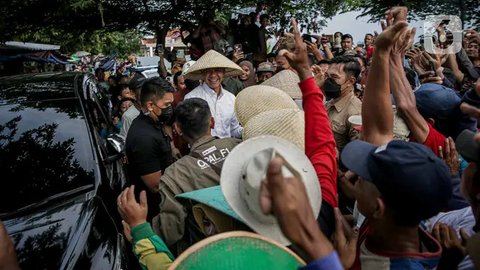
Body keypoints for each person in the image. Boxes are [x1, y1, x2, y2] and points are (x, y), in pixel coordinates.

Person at [343, 7, 451, 269]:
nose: (356, 175)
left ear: (379, 208)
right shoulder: (393, 222)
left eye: (365, 174)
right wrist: (382, 52)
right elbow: (377, 130)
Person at [154, 98, 241, 250]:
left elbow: (170, 232)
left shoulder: (174, 175)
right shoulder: (238, 146)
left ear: (178, 129)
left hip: (212, 254)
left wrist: (140, 228)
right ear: (212, 122)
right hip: (256, 238)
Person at [125, 77, 175, 222]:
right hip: (155, 210)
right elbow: (155, 185)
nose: (170, 108)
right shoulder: (143, 138)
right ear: (150, 105)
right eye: (166, 104)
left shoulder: (154, 122)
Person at [183, 50, 243, 139]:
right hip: (202, 150)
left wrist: (249, 130)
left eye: (218, 70)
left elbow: (234, 130)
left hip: (226, 149)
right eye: (208, 71)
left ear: (223, 73)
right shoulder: (191, 98)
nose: (213, 75)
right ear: (202, 73)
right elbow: (188, 132)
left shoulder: (231, 98)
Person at [322, 55, 362, 153]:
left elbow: (356, 153)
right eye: (327, 76)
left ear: (350, 81)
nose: (328, 81)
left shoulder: (355, 112)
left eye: (334, 77)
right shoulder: (330, 102)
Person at [119, 74, 145, 138]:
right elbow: (125, 141)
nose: (146, 90)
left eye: (146, 87)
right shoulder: (128, 116)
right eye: (141, 88)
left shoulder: (153, 109)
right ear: (133, 93)